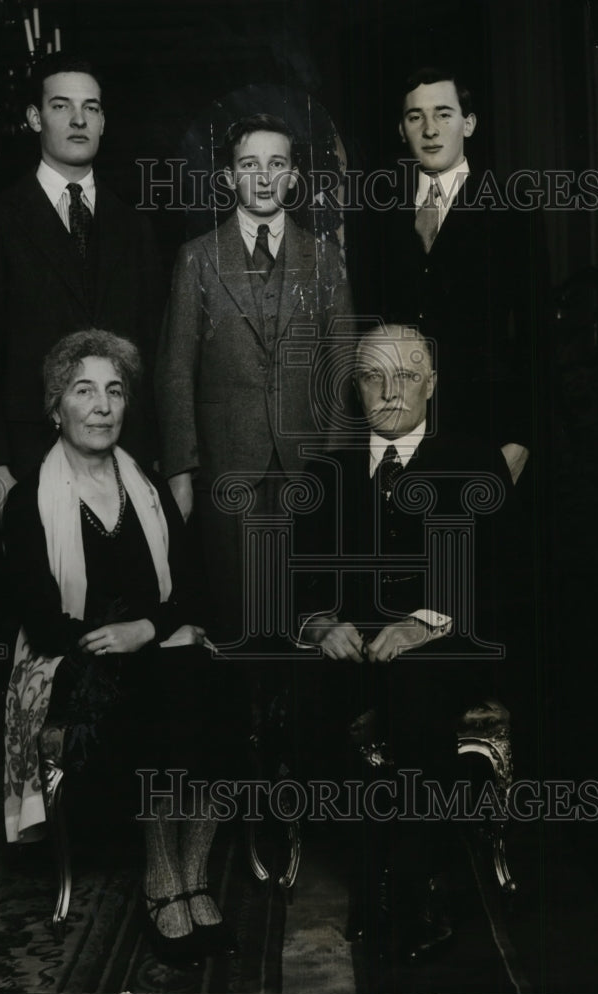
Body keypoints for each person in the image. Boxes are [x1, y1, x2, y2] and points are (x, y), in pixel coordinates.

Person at [1, 330, 240, 967]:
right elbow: (44, 624)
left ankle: (193, 873)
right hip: (76, 667)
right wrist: (133, 641)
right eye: (84, 391)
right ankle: (164, 876)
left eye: (114, 391)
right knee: (163, 681)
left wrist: (147, 631)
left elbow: (194, 594)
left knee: (209, 676)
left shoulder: (151, 491)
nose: (102, 406)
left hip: (154, 656)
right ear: (57, 408)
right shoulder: (29, 503)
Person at [294, 324, 517, 965]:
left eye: (408, 376)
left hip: (449, 642)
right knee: (310, 693)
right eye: (373, 377)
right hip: (351, 648)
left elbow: (505, 574)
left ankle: (413, 884)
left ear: (432, 386)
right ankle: (369, 875)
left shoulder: (475, 463)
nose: (390, 393)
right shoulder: (326, 472)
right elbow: (293, 578)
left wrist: (427, 621)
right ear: (355, 387)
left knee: (415, 689)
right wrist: (318, 623)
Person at [155, 112, 354, 643]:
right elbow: (175, 369)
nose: (264, 178)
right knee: (234, 613)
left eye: (277, 164)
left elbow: (340, 365)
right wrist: (181, 467)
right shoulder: (197, 258)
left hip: (305, 464)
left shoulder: (326, 259)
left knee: (302, 614)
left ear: (293, 177)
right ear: (228, 178)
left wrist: (333, 465)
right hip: (225, 467)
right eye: (249, 165)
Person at [0, 53, 160, 515]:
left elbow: (149, 349)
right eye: (62, 106)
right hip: (28, 460)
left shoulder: (136, 228)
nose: (79, 119)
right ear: (34, 117)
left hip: (123, 460)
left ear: (104, 121)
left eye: (91, 107)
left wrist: (153, 462)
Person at [373, 66, 549, 486]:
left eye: (444, 114)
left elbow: (536, 333)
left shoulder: (511, 209)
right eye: (416, 117)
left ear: (468, 123)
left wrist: (523, 438)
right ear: (402, 129)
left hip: (487, 429)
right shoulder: (380, 216)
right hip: (401, 429)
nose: (430, 129)